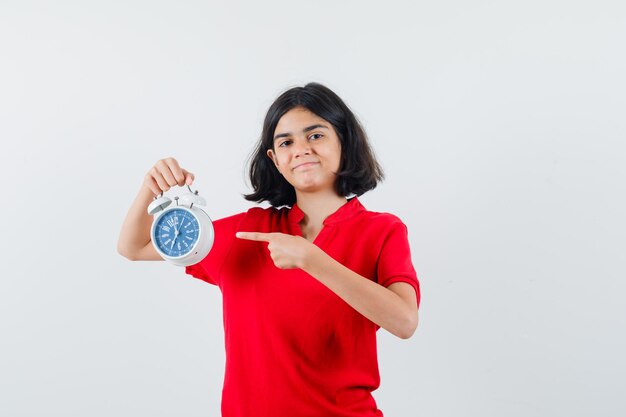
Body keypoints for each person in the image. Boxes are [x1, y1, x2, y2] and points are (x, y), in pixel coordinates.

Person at [117, 82, 421, 417]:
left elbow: (405, 321)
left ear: (345, 143)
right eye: (286, 142)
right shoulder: (246, 233)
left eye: (316, 135)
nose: (301, 149)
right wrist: (152, 187)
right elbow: (134, 247)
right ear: (275, 160)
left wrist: (313, 260)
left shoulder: (381, 231)